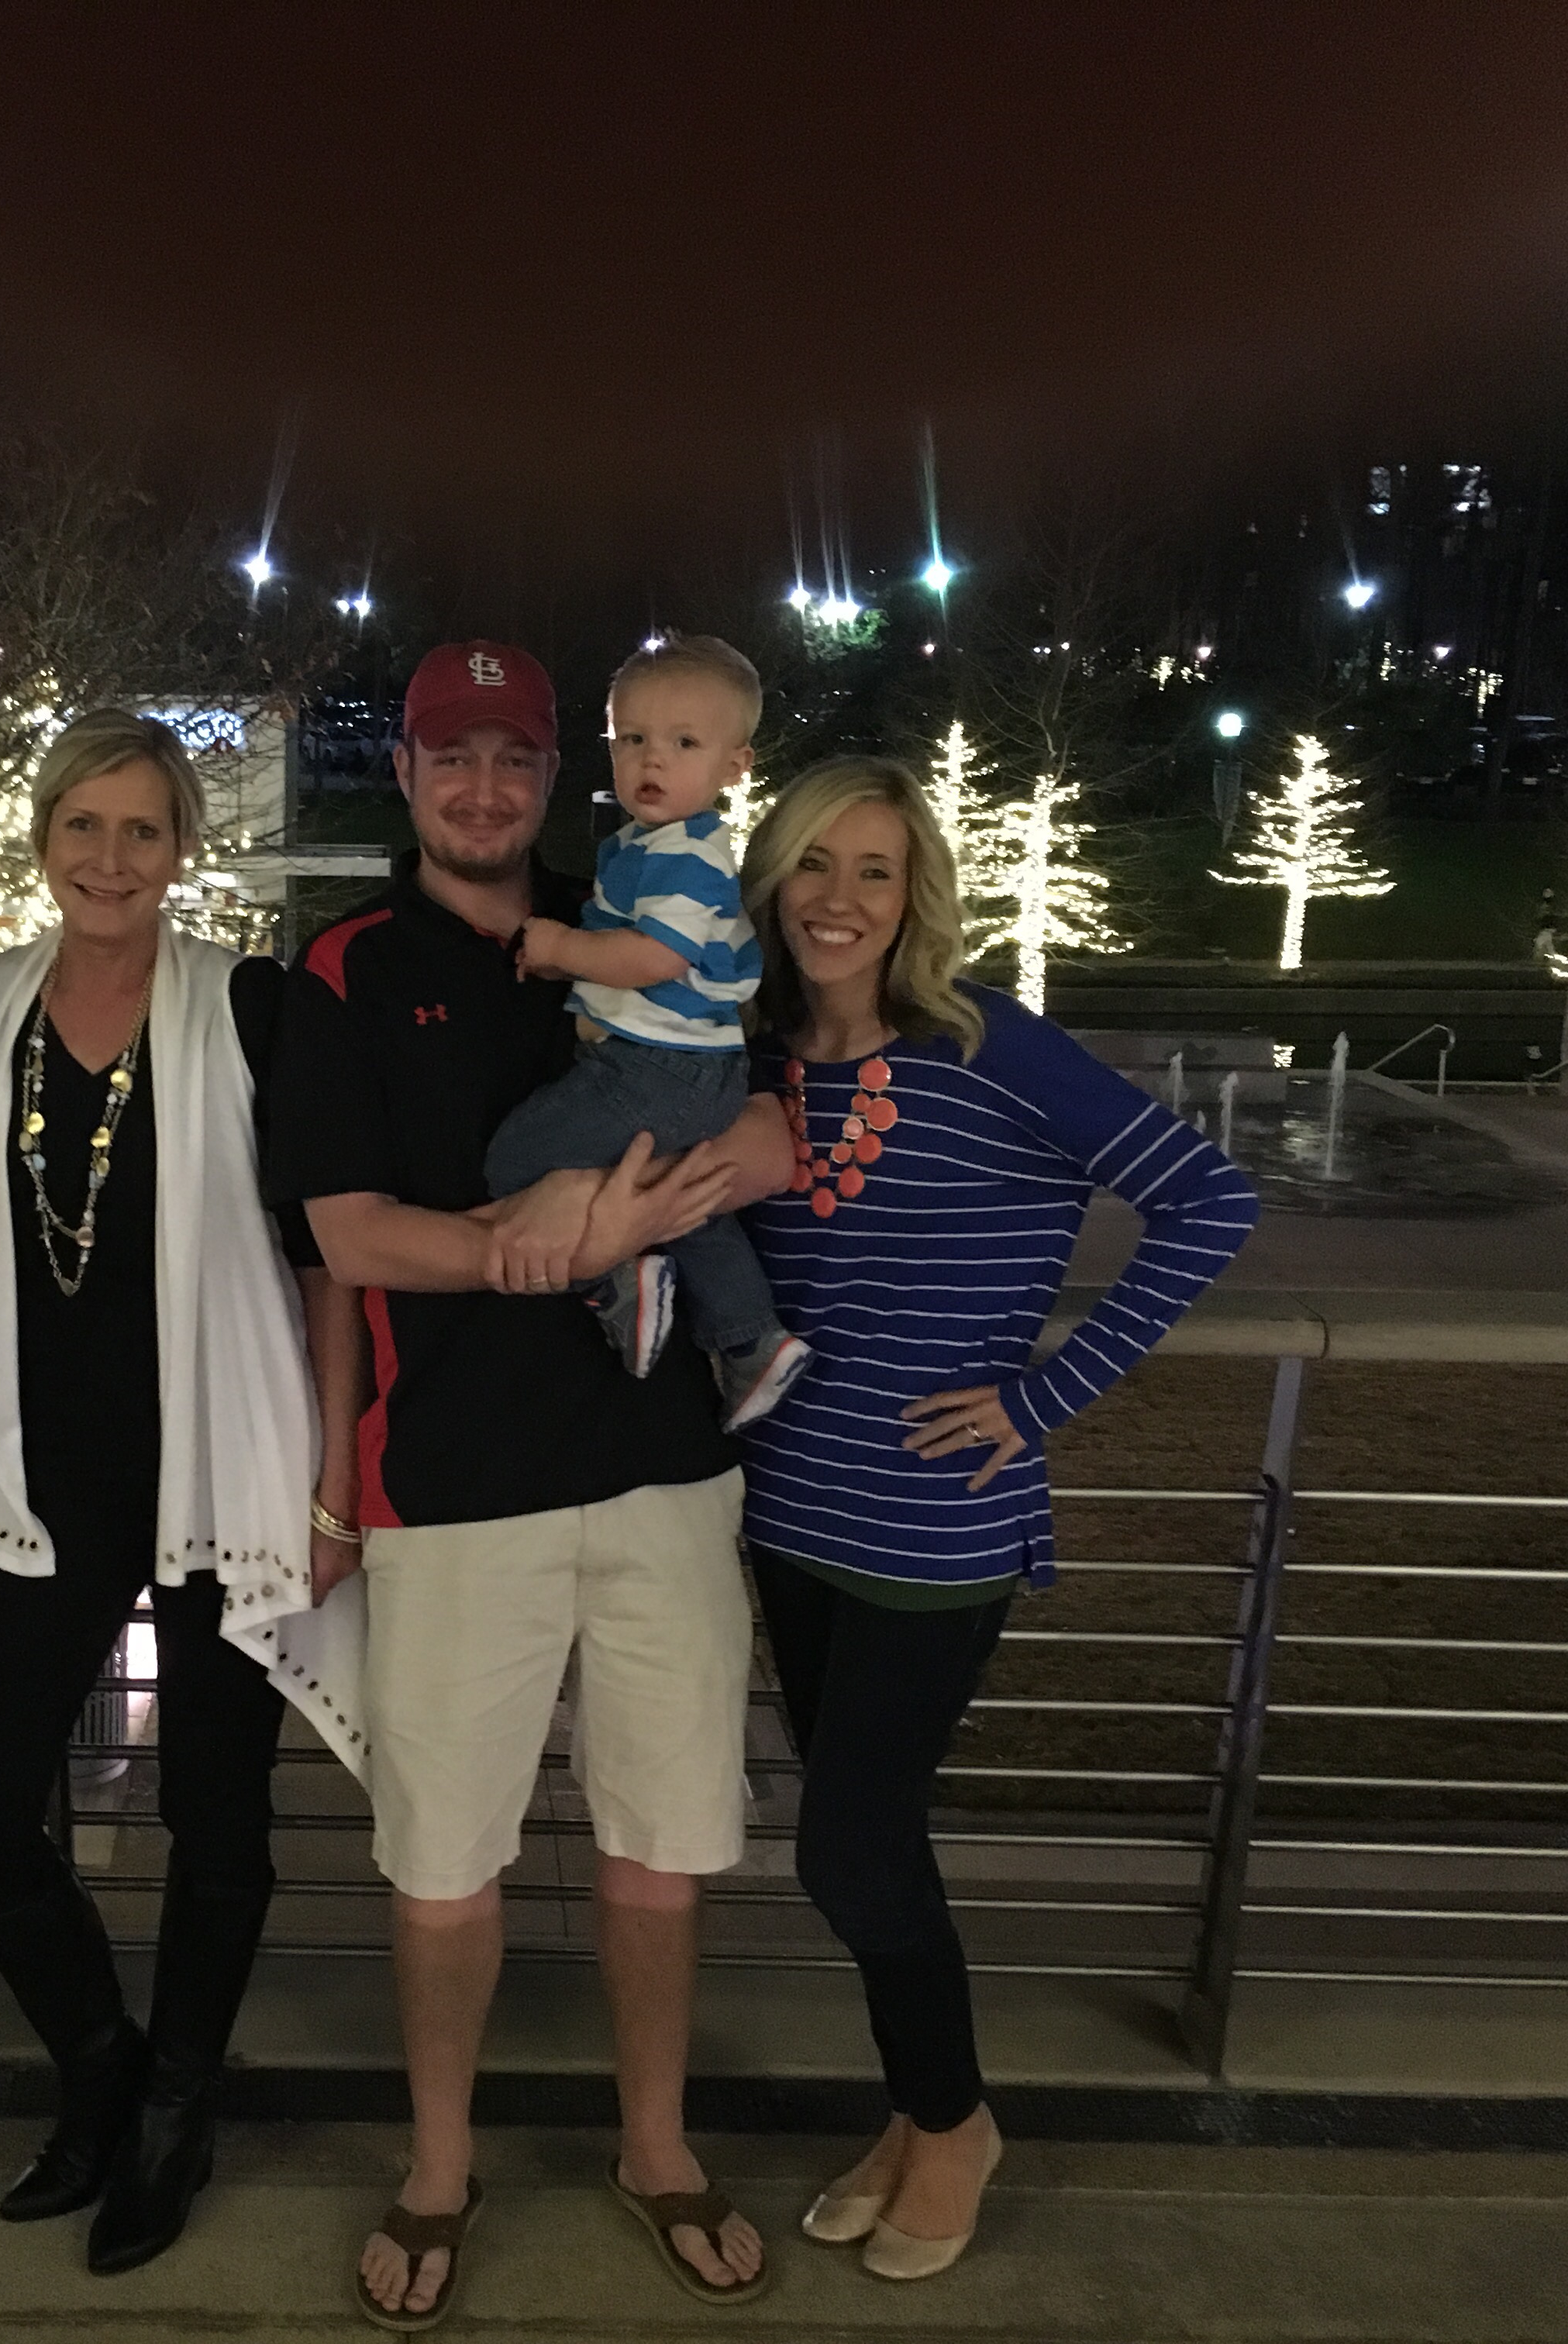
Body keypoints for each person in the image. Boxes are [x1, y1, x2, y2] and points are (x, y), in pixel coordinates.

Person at [269, 640, 773, 2325]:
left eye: (513, 758)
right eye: (451, 757)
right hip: (451, 1482)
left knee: (659, 1844)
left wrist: (677, 1191)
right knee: (440, 1862)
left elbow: (768, 1115)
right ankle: (438, 2166)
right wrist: (541, 1239)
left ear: (558, 776)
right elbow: (346, 1238)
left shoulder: (638, 908)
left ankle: (655, 2145)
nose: (483, 787)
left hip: (661, 1466)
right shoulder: (342, 964)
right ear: (406, 775)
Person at [715, 753, 1257, 2280]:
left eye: (872, 870)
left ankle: (954, 2125)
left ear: (916, 895)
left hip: (936, 1525)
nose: (835, 898)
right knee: (875, 1842)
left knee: (845, 1851)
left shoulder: (986, 1044)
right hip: (788, 1508)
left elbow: (1209, 1201)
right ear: (771, 878)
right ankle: (914, 2114)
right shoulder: (753, 1053)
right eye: (811, 862)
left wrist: (1041, 1395)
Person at [0, 708, 370, 2278]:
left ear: (183, 849)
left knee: (214, 1811)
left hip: (224, 1454)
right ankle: (100, 2062)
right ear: (41, 836)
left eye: (142, 829)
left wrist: (332, 1477)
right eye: (82, 826)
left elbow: (327, 1259)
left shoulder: (251, 1004)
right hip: (43, 1473)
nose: (109, 858)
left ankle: (178, 2104)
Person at [488, 633, 808, 1425]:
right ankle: (750, 1340)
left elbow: (656, 957)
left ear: (735, 765)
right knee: (692, 1208)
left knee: (513, 1161)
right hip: (683, 1067)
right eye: (632, 739)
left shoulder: (687, 856)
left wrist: (559, 948)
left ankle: (617, 1274)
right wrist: (574, 966)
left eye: (683, 743)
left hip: (658, 1068)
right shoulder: (646, 844)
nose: (651, 759)